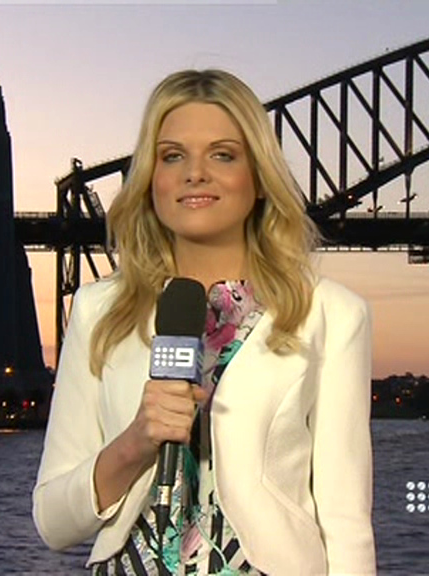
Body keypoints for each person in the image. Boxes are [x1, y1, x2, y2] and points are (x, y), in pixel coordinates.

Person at [32, 68, 375, 575]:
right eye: (173, 156)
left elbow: (346, 522)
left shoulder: (332, 314)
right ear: (150, 180)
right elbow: (53, 522)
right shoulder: (98, 310)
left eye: (223, 154)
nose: (195, 173)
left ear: (259, 179)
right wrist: (134, 443)